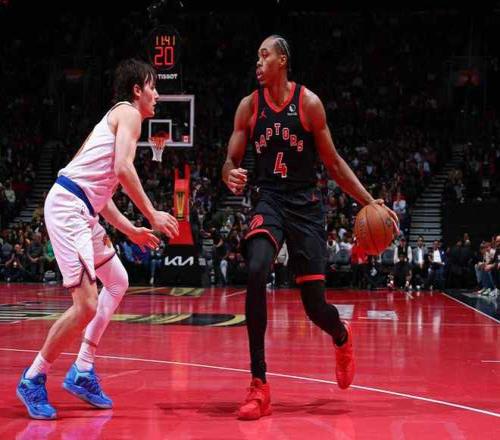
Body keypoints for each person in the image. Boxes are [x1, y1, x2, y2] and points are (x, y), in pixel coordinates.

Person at [222, 35, 398, 420]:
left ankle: (341, 335)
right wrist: (229, 173)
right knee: (256, 269)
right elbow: (230, 159)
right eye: (257, 57)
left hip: (305, 206)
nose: (258, 62)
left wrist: (369, 201)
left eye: (264, 55)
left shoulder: (309, 104)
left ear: (282, 60)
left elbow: (333, 164)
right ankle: (259, 384)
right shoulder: (249, 107)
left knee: (315, 307)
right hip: (269, 199)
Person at [17, 58, 179, 420]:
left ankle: (83, 368)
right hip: (68, 209)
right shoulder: (130, 114)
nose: (157, 94)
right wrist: (151, 214)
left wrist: (132, 230)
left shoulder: (114, 124)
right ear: (137, 90)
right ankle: (33, 377)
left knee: (118, 280)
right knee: (86, 304)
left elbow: (101, 198)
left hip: (83, 207)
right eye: (152, 86)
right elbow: (123, 169)